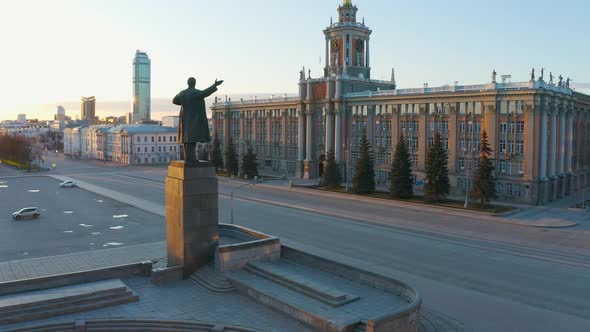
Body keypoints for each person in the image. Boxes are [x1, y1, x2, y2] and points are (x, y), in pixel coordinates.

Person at [173, 77, 223, 162]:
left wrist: (184, 102)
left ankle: (188, 158)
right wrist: (214, 85)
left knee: (187, 139)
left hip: (184, 119)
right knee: (192, 138)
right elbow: (205, 92)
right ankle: (191, 158)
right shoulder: (196, 93)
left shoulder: (182, 93)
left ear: (187, 83)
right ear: (194, 83)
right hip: (194, 118)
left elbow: (174, 100)